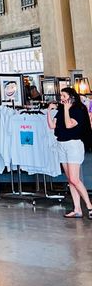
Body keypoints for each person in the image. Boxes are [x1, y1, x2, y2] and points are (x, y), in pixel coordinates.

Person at [47, 86, 92, 218]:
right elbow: (52, 126)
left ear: (71, 97)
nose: (62, 99)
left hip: (73, 145)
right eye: (61, 96)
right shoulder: (61, 110)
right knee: (70, 179)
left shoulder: (79, 110)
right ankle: (77, 208)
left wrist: (66, 109)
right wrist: (49, 112)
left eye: (64, 96)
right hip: (61, 144)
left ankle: (89, 206)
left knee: (74, 178)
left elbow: (68, 125)